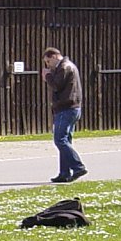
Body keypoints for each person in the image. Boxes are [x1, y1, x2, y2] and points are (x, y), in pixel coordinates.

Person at [41, 48, 87, 183]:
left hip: (66, 108)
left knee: (60, 140)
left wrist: (48, 76)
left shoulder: (64, 67)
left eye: (48, 61)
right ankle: (64, 172)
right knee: (66, 141)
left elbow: (57, 86)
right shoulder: (67, 66)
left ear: (55, 56)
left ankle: (78, 166)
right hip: (72, 107)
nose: (48, 65)